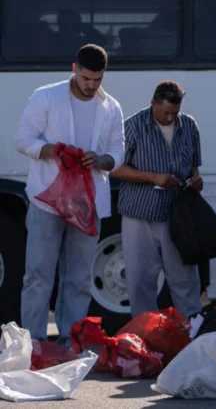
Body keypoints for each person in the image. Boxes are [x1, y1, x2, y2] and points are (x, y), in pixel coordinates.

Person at [15, 44, 124, 346]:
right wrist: (54, 151)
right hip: (46, 201)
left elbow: (118, 151)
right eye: (86, 78)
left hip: (88, 204)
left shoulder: (111, 107)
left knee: (78, 278)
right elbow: (22, 140)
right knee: (38, 274)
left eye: (98, 80)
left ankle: (70, 342)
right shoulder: (46, 96)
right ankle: (34, 343)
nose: (91, 85)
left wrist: (101, 160)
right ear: (74, 69)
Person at [111, 81, 204, 318]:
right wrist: (152, 177)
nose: (170, 118)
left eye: (175, 112)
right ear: (153, 103)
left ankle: (193, 331)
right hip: (139, 214)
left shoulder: (189, 125)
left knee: (185, 279)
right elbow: (114, 169)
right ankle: (144, 333)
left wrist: (196, 180)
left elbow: (194, 166)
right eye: (165, 113)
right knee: (140, 281)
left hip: (177, 215)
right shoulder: (132, 126)